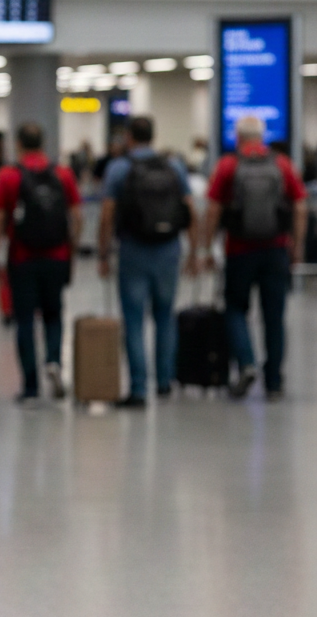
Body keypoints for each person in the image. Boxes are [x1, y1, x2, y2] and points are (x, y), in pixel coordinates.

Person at [203, 115, 307, 399]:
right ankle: (273, 382)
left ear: (238, 137)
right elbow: (299, 206)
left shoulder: (228, 165)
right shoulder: (282, 164)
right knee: (274, 316)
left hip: (238, 250)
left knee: (236, 309)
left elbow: (213, 209)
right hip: (275, 249)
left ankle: (246, 364)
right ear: (262, 137)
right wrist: (296, 245)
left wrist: (205, 247)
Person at [97, 116, 198, 407]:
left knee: (134, 319)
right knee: (165, 316)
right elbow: (189, 209)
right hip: (169, 249)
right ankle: (165, 381)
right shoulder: (174, 166)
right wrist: (195, 251)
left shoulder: (119, 168)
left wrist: (104, 252)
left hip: (133, 249)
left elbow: (106, 214)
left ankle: (139, 388)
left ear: (129, 137)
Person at [0, 122, 82, 403]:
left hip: (22, 257)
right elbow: (77, 217)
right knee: (54, 314)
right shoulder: (63, 174)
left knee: (25, 320)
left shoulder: (8, 176)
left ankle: (30, 386)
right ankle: (54, 361)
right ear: (43, 142)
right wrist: (72, 250)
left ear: (18, 144)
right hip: (57, 255)